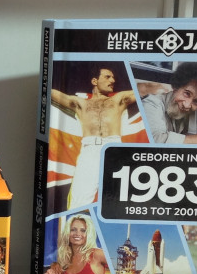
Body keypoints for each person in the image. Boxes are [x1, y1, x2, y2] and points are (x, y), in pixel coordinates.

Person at [51, 66, 138, 206]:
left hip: (114, 148)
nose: (113, 80)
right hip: (90, 149)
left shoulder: (119, 99)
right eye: (107, 77)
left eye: (113, 77)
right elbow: (52, 93)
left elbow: (143, 89)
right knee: (79, 201)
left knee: (121, 200)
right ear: (94, 81)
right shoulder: (81, 104)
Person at [43, 214, 117, 274]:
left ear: (89, 233)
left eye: (83, 230)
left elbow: (122, 269)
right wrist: (54, 266)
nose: (77, 234)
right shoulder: (66, 259)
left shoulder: (97, 254)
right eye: (73, 229)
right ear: (67, 232)